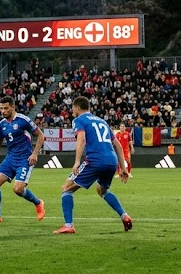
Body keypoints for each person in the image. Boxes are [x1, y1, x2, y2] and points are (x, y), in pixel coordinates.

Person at [54, 96, 132, 235]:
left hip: (95, 160)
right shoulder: (102, 121)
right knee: (102, 190)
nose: (72, 112)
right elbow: (118, 146)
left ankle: (68, 225)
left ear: (77, 108)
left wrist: (77, 161)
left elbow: (82, 139)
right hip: (111, 161)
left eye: (72, 109)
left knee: (66, 188)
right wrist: (123, 168)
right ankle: (124, 216)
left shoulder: (78, 120)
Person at [0, 96, 45, 223]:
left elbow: (40, 135)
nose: (3, 111)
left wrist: (35, 154)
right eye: (1, 108)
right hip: (10, 159)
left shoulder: (23, 120)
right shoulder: (2, 124)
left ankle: (38, 202)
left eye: (6, 108)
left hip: (25, 159)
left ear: (13, 107)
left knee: (18, 189)